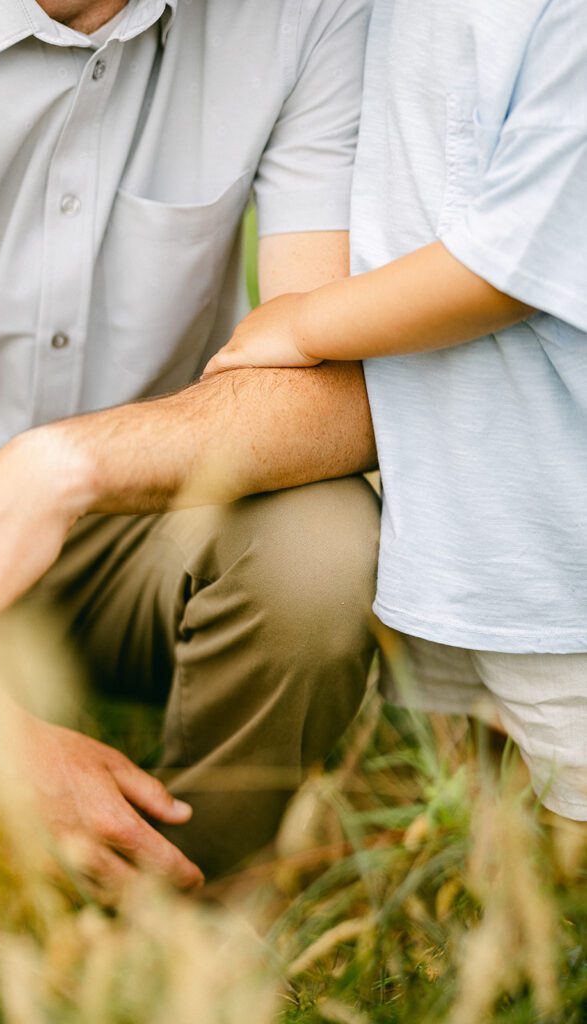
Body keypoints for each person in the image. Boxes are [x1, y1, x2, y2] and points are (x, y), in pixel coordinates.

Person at [0, 0, 379, 888]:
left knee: (320, 548)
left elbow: (344, 391)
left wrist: (60, 469)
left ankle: (180, 914)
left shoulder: (305, 16)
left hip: (127, 513)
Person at [206, 0, 587, 823]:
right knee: (462, 800)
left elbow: (511, 258)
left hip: (557, 539)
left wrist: (308, 321)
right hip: (447, 517)